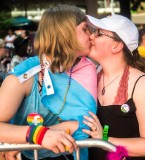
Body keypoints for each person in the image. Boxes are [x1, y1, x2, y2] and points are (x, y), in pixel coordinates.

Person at [0, 4, 97, 160]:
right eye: (85, 29)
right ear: (65, 32)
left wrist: (70, 126)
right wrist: (38, 135)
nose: (92, 36)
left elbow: (85, 126)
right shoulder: (26, 74)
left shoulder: (88, 68)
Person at [82, 14, 145, 160]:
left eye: (98, 33)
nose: (91, 36)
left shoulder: (142, 85)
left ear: (116, 46)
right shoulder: (90, 73)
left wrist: (104, 141)